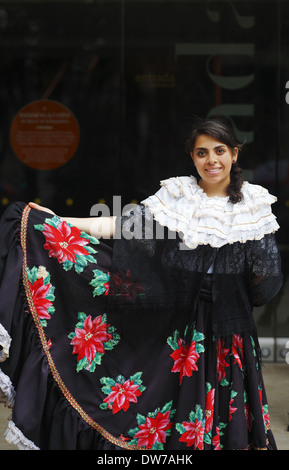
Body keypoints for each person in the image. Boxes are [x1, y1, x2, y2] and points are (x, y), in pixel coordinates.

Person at [0, 118, 282, 450]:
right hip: (182, 328)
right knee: (174, 413)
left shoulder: (254, 204)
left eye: (219, 151)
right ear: (192, 158)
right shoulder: (177, 198)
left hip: (230, 331)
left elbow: (265, 281)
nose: (211, 160)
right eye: (202, 152)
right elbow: (121, 227)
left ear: (234, 154)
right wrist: (57, 220)